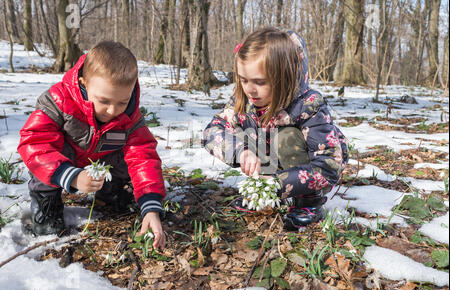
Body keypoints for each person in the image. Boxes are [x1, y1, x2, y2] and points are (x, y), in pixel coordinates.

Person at [17, 41, 166, 250]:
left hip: (102, 162)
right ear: (84, 83)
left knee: (132, 153)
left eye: (122, 102)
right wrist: (73, 176)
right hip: (63, 162)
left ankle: (111, 191)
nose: (113, 110)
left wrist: (151, 207)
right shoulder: (59, 101)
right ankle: (47, 204)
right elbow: (34, 141)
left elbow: (144, 157)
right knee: (45, 156)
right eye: (104, 101)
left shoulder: (130, 117)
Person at [202, 27, 349, 230]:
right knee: (252, 136)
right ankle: (265, 196)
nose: (250, 89)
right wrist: (241, 151)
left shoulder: (308, 106)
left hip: (308, 171)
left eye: (260, 82)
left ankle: (308, 203)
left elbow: (328, 166)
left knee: (286, 137)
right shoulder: (245, 101)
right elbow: (212, 132)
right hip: (272, 174)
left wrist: (278, 183)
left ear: (284, 77)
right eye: (243, 80)